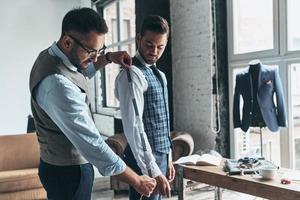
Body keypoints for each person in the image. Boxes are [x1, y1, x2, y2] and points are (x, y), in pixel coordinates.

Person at [29, 8, 156, 200]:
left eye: (100, 51)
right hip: (69, 173)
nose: (95, 58)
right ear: (67, 41)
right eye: (91, 51)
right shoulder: (57, 85)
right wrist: (137, 181)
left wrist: (108, 58)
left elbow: (82, 71)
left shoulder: (51, 56)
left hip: (56, 166)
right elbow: (92, 143)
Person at [115, 15, 175, 200]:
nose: (154, 51)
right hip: (145, 158)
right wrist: (152, 168)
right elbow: (134, 126)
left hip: (161, 155)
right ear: (138, 39)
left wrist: (168, 158)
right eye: (149, 44)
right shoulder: (132, 74)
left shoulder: (160, 75)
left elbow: (162, 120)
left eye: (160, 46)